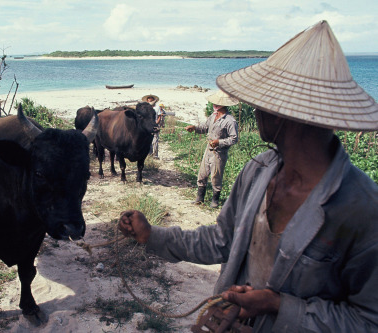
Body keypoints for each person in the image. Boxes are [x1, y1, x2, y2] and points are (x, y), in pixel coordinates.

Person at [118, 21, 378, 332]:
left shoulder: (362, 209)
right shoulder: (259, 170)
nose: (254, 107)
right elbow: (221, 241)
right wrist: (153, 235)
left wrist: (278, 307)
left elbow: (367, 320)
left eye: (263, 100)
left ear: (286, 113)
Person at [185, 90, 239, 208]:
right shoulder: (213, 116)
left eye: (218, 103)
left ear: (224, 105)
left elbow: (234, 139)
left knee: (216, 177)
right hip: (208, 151)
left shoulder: (230, 121)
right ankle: (199, 198)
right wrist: (194, 128)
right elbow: (204, 128)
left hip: (219, 153)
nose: (215, 105)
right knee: (202, 174)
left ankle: (215, 201)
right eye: (214, 103)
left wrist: (218, 142)